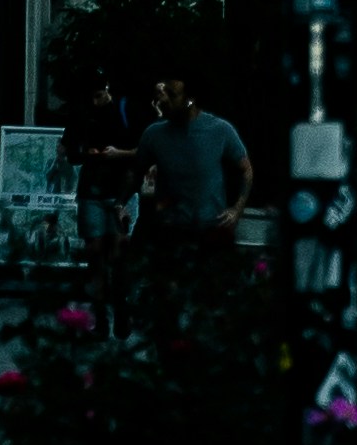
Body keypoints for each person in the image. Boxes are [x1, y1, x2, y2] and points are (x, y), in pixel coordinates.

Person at [136, 69, 253, 245]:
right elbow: (136, 172)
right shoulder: (153, 134)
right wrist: (122, 204)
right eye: (164, 92)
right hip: (170, 232)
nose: (164, 99)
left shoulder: (220, 129)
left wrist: (237, 209)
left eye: (172, 94)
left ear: (190, 100)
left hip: (210, 231)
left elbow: (246, 170)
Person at [67, 81, 144, 292]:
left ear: (107, 90)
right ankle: (100, 295)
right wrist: (86, 153)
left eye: (99, 95)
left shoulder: (126, 110)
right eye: (91, 97)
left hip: (122, 190)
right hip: (92, 189)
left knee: (119, 249)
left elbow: (144, 149)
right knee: (95, 249)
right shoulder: (82, 114)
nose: (95, 102)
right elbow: (71, 152)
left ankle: (119, 295)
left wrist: (119, 154)